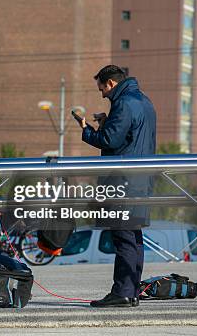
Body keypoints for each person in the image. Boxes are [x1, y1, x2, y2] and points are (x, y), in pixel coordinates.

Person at [75, 65, 156, 308]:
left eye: (102, 88)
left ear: (111, 83)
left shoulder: (123, 104)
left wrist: (87, 130)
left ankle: (122, 292)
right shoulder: (144, 101)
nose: (102, 94)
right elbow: (130, 138)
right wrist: (108, 122)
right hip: (142, 182)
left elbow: (110, 140)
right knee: (134, 237)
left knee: (123, 238)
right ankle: (131, 291)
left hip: (122, 183)